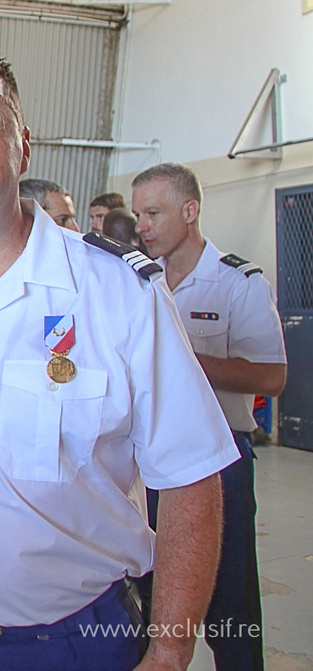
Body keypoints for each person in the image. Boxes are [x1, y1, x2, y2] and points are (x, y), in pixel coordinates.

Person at [0, 42, 239, 671]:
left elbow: (193, 476)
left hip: (77, 643)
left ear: (22, 143)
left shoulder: (120, 294)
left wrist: (170, 649)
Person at [132, 163, 286, 671]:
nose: (143, 226)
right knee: (152, 594)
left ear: (190, 210)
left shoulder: (237, 283)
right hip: (150, 461)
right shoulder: (138, 282)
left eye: (153, 212)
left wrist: (181, 361)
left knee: (231, 602)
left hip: (222, 462)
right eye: (138, 214)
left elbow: (271, 377)